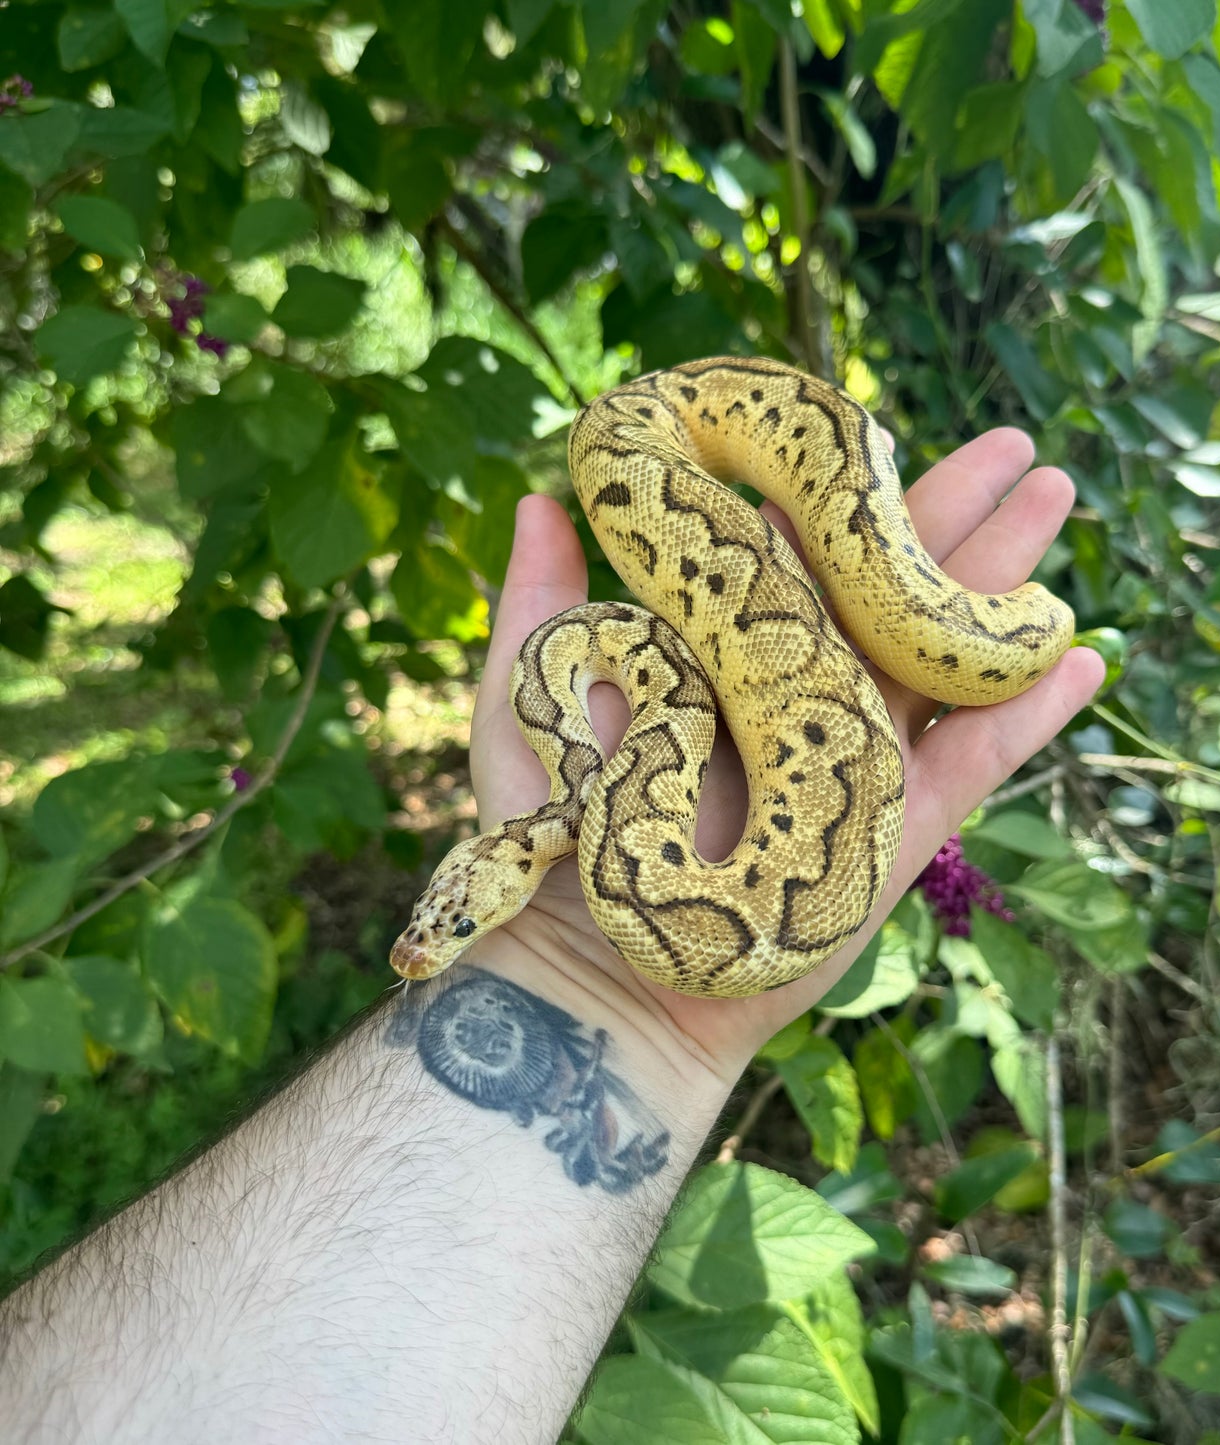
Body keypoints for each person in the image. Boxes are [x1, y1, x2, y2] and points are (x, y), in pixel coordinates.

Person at [0, 429, 1103, 1443]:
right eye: (453, 920)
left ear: (500, 870)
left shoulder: (587, 766)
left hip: (704, 606)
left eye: (455, 916)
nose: (438, 942)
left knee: (977, 627)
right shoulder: (585, 751)